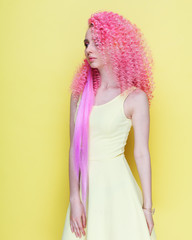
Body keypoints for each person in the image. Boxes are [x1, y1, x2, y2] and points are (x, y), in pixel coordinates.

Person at [61, 10, 157, 240]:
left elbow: (142, 153)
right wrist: (75, 198)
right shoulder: (79, 95)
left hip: (118, 191)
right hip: (87, 192)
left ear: (115, 47)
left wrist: (147, 207)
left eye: (96, 43)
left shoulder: (135, 98)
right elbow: (75, 148)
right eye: (86, 43)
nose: (88, 50)